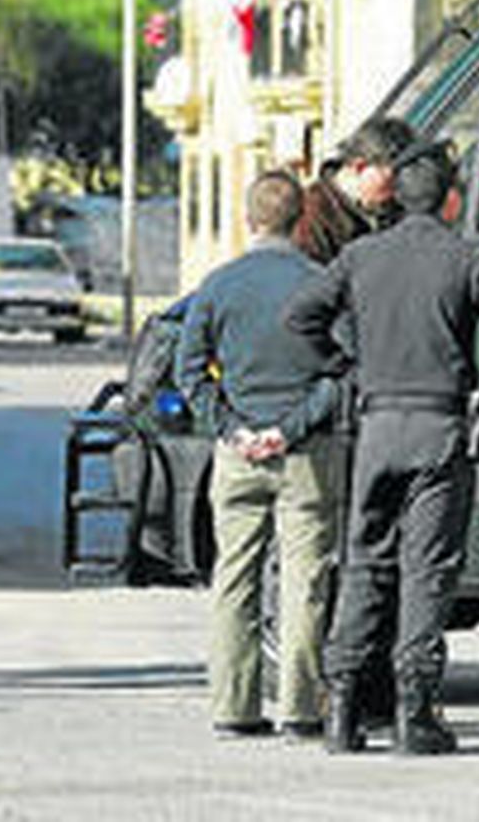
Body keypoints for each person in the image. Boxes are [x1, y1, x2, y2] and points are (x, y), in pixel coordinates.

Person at [284, 141, 479, 755]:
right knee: (427, 570)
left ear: (398, 198)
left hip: (376, 427)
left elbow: (299, 318)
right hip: (439, 427)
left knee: (364, 563)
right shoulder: (467, 258)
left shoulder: (360, 255)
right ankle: (415, 710)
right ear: (451, 200)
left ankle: (342, 709)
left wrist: (348, 366)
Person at [175, 171, 346, 741]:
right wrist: (290, 428)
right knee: (304, 582)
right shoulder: (320, 282)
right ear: (301, 220)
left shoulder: (219, 285)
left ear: (249, 219)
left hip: (238, 454)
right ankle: (300, 709)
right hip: (305, 455)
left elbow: (189, 370)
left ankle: (233, 708)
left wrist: (230, 427)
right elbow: (342, 370)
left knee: (234, 579)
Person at [293, 117, 418, 264]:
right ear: (360, 167)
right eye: (393, 177)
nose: (400, 186)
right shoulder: (310, 217)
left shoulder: (390, 213)